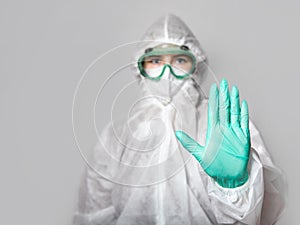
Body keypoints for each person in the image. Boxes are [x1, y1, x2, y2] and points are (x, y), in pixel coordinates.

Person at [73, 14, 285, 225]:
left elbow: (256, 218)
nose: (168, 71)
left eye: (180, 60)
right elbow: (93, 212)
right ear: (140, 68)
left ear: (196, 65)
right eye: (156, 61)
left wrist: (234, 187)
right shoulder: (117, 135)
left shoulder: (225, 126)